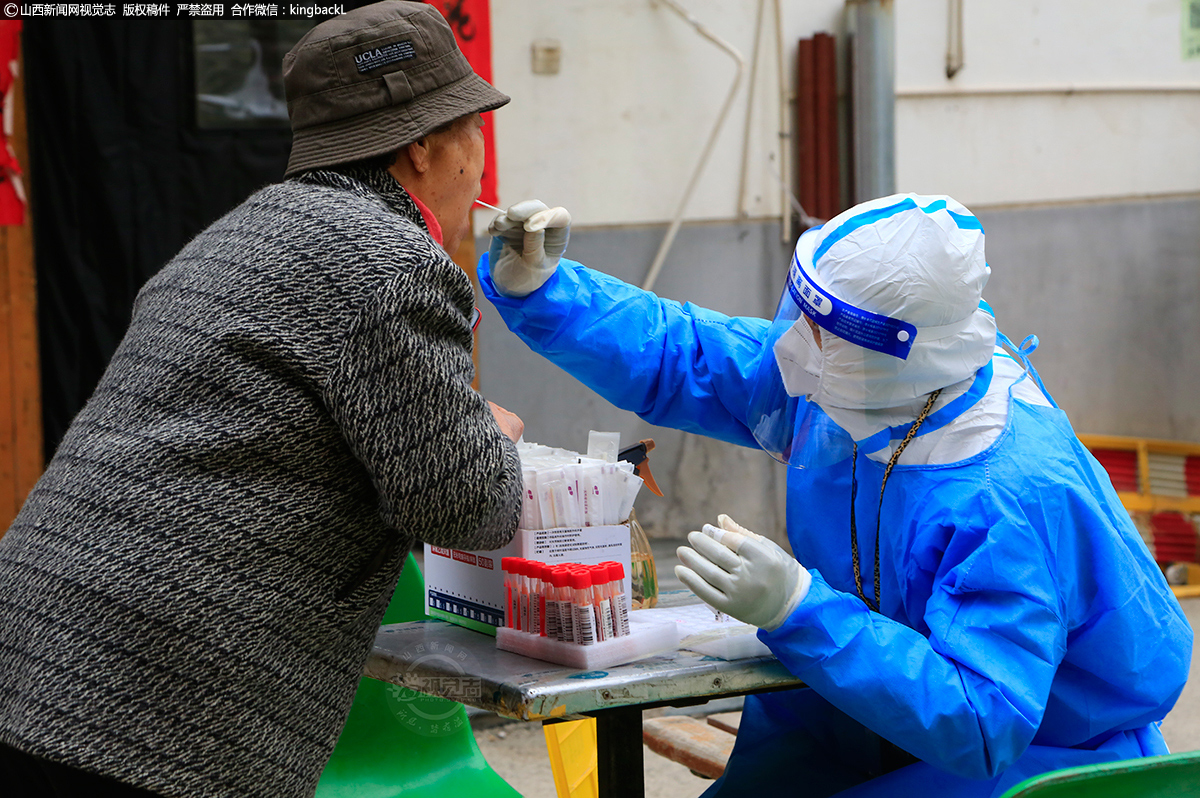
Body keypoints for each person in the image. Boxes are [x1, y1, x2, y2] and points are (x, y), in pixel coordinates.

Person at [479, 194, 1192, 796]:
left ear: (900, 351)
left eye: (821, 336)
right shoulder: (861, 378)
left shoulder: (1005, 493)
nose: (790, 350)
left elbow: (984, 717)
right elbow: (686, 354)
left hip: (1045, 750)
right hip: (862, 687)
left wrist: (798, 607)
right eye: (802, 319)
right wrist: (543, 289)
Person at [0, 3, 523, 797]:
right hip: (155, 710)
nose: (478, 165)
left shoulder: (228, 239)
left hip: (33, 656)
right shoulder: (392, 264)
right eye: (473, 133)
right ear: (423, 147)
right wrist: (488, 437)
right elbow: (464, 509)